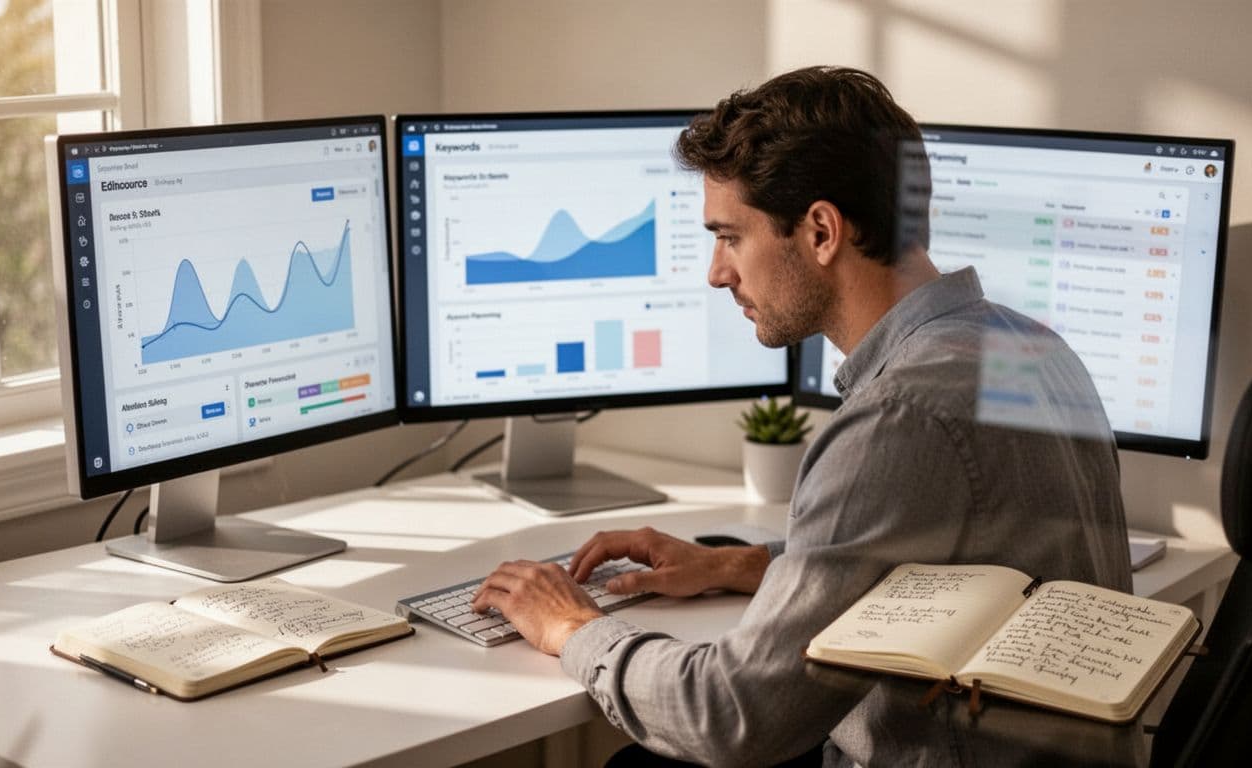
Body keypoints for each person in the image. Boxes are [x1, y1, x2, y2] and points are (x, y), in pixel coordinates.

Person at [471, 66, 1131, 767]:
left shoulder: (896, 417)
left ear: (820, 230)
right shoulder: (1033, 348)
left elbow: (730, 717)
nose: (717, 273)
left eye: (729, 237)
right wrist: (743, 564)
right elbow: (945, 568)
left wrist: (573, 626)